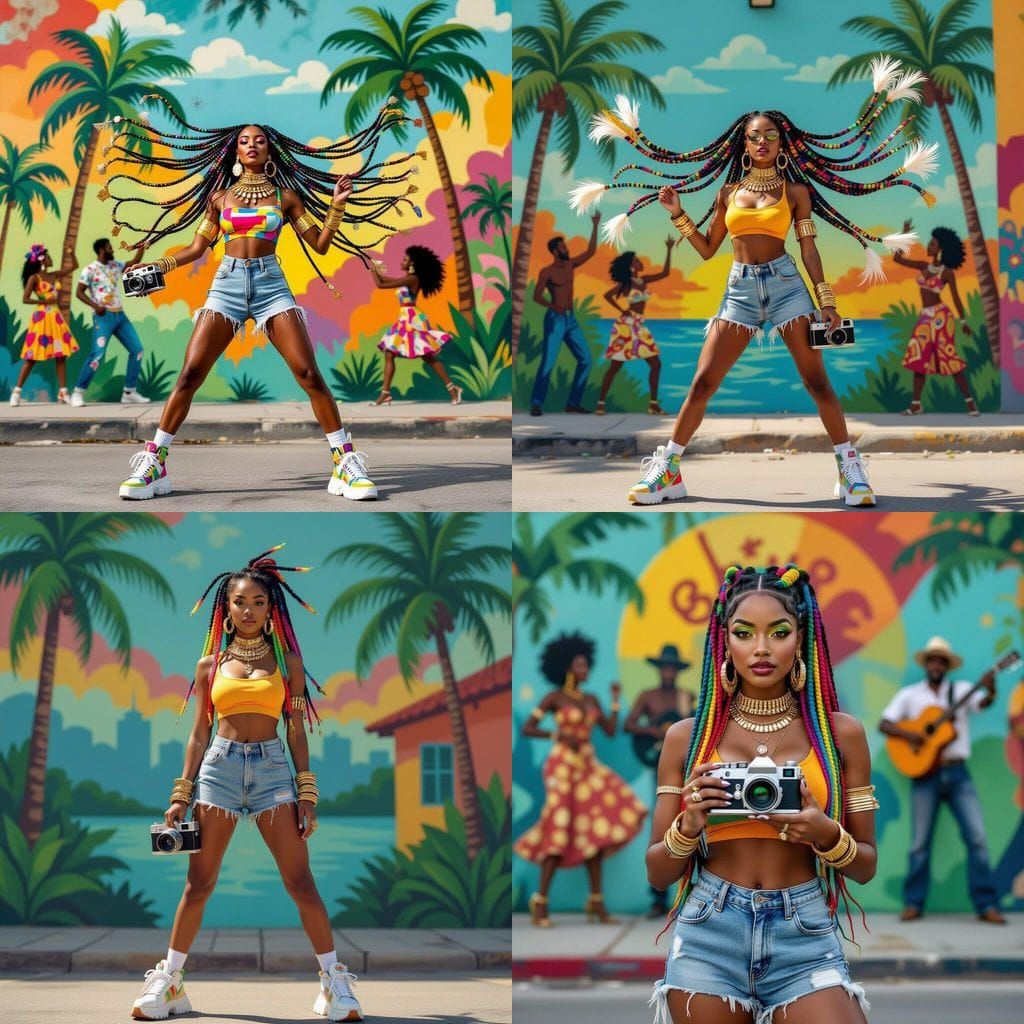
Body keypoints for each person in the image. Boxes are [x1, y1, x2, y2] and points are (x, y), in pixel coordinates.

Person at [572, 57, 942, 507]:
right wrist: (677, 214)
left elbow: (807, 248)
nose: (763, 141)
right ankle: (667, 470)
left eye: (770, 135)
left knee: (817, 383)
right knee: (703, 383)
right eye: (754, 136)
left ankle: (850, 468)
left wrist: (826, 299)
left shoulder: (795, 192)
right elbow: (709, 249)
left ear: (781, 142)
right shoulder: (728, 193)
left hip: (788, 288)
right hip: (739, 290)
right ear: (743, 145)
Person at [98, 96, 421, 501]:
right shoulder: (219, 199)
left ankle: (344, 462)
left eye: (261, 141)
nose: (252, 145)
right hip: (226, 285)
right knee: (189, 375)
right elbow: (196, 249)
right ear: (235, 150)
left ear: (271, 150)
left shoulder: (286, 198)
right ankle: (154, 464)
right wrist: (156, 268)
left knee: (308, 375)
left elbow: (319, 245)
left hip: (271, 287)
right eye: (245, 141)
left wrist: (337, 207)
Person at [130, 545, 362, 1023]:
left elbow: (296, 727)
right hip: (219, 768)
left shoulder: (290, 663)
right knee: (199, 883)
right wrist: (181, 793)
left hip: (275, 771)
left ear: (271, 607)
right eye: (241, 601)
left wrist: (307, 792)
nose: (250, 610)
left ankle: (333, 983)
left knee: (300, 882)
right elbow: (199, 731)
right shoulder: (208, 665)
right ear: (226, 607)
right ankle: (169, 983)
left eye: (259, 601)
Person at [647, 564, 877, 1024]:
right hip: (709, 929)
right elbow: (657, 872)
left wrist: (825, 832)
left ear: (802, 638)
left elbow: (866, 867)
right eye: (744, 633)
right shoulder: (688, 737)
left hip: (805, 929)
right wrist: (690, 823)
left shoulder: (839, 735)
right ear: (724, 641)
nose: (761, 648)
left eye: (778, 632)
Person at [515, 631, 647, 927]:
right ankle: (541, 901)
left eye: (586, 665)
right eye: (579, 665)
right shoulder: (554, 698)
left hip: (587, 765)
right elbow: (528, 728)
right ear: (566, 667)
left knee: (595, 832)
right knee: (559, 829)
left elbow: (610, 730)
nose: (584, 670)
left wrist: (614, 702)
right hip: (562, 765)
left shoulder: (591, 699)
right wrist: (557, 734)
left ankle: (596, 902)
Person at [878, 635, 1005, 924]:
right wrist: (916, 736)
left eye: (941, 660)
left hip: (959, 772)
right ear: (926, 664)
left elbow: (984, 704)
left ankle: (986, 905)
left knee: (978, 839)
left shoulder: (960, 690)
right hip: (925, 775)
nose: (936, 664)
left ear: (947, 665)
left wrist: (991, 685)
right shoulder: (910, 695)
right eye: (932, 659)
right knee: (919, 843)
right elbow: (884, 724)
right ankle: (913, 903)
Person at [624, 644, 694, 917]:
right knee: (663, 826)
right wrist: (656, 731)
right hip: (660, 767)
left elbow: (698, 725)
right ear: (658, 669)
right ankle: (658, 900)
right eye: (664, 667)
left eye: (672, 667)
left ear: (677, 671)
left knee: (691, 826)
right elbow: (628, 724)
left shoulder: (685, 697)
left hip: (687, 770)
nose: (667, 671)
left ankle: (688, 895)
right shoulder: (647, 696)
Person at [894, 220, 979, 415]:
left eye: (932, 244)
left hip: (942, 318)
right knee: (918, 356)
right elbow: (897, 260)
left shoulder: (947, 272)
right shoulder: (923, 266)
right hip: (926, 318)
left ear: (941, 249)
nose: (928, 246)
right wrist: (903, 235)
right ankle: (916, 404)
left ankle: (970, 402)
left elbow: (956, 297)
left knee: (949, 357)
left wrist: (964, 322)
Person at [368, 245, 462, 405]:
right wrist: (372, 265)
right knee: (390, 353)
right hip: (406, 318)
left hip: (412, 319)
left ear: (412, 264)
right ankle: (385, 393)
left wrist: (371, 267)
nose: (402, 261)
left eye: (405, 259)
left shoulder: (412, 278)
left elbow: (380, 285)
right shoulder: (407, 279)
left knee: (427, 355)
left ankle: (453, 389)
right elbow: (383, 280)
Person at [529, 215, 601, 416]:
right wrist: (553, 305)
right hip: (555, 320)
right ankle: (536, 403)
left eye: (566, 246)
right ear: (555, 251)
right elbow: (536, 295)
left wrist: (594, 225)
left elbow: (591, 251)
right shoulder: (547, 272)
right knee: (548, 362)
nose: (567, 249)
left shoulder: (570, 266)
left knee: (586, 359)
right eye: (563, 247)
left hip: (571, 320)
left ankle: (573, 403)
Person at [71, 236, 151, 407]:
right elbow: (79, 292)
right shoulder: (90, 269)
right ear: (101, 250)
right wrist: (95, 305)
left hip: (120, 316)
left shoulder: (116, 265)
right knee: (97, 355)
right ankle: (78, 392)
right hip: (103, 317)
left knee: (137, 350)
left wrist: (141, 246)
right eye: (109, 248)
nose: (112, 250)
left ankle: (129, 392)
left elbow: (134, 261)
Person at [596, 240, 673, 415]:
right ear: (632, 265)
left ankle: (653, 404)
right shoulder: (625, 284)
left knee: (656, 364)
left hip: (639, 325)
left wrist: (668, 249)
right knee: (615, 366)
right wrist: (622, 310)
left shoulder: (643, 280)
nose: (641, 262)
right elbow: (607, 296)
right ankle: (600, 403)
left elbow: (665, 273)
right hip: (625, 326)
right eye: (637, 260)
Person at [10, 243, 79, 406]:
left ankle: (63, 392)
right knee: (32, 356)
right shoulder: (35, 278)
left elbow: (74, 266)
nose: (51, 259)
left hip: (55, 318)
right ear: (42, 260)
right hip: (41, 318)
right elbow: (25, 298)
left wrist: (71, 252)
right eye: (48, 257)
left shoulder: (54, 275)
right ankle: (16, 392)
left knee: (61, 356)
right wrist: (44, 300)